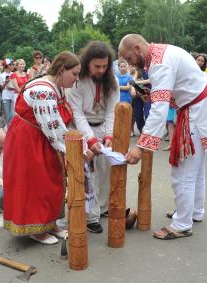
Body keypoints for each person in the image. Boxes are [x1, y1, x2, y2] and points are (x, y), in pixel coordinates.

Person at [119, 34, 207, 240]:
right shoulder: (162, 53)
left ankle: (183, 224)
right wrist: (153, 94)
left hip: (196, 112)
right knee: (196, 169)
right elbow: (174, 91)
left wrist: (141, 147)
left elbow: (159, 109)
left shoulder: (159, 63)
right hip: (199, 108)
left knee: (183, 171)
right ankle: (194, 212)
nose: (129, 63)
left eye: (129, 58)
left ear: (138, 48)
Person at [3, 51, 81, 245]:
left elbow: (63, 121)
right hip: (29, 140)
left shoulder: (58, 86)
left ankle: (50, 223)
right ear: (62, 70)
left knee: (53, 179)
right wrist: (75, 149)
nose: (77, 79)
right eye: (74, 74)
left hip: (42, 137)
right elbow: (53, 127)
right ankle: (36, 229)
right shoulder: (43, 90)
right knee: (36, 183)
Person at [67, 41, 120, 234]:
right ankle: (91, 216)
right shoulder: (77, 81)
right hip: (81, 130)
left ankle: (103, 208)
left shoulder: (111, 79)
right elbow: (77, 114)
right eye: (97, 66)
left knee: (105, 170)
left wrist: (108, 134)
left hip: (103, 128)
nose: (101, 70)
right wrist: (90, 140)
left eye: (105, 66)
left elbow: (112, 111)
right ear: (87, 62)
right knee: (89, 173)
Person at [0, 59, 15, 125]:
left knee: (12, 114)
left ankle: (11, 131)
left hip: (13, 96)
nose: (13, 66)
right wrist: (6, 82)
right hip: (5, 96)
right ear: (8, 65)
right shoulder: (2, 75)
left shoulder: (14, 74)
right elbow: (1, 88)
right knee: (7, 115)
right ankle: (9, 131)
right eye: (12, 64)